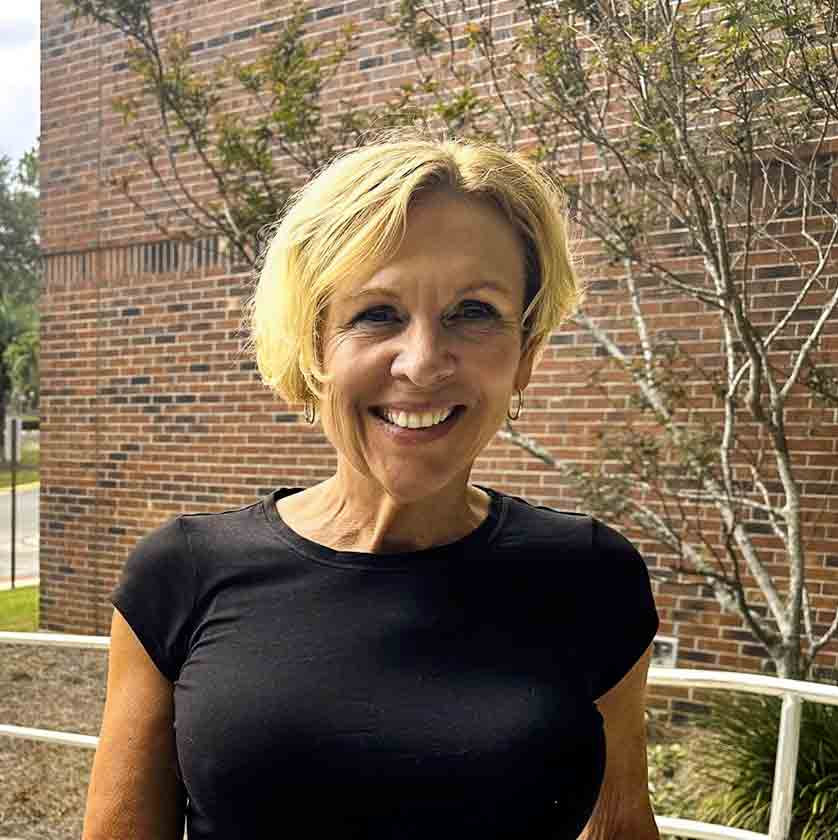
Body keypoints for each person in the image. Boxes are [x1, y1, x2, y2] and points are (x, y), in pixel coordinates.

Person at [82, 127, 660, 840]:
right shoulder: (182, 576)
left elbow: (621, 826)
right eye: (376, 315)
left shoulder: (593, 575)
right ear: (315, 345)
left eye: (473, 312)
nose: (422, 362)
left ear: (525, 356)